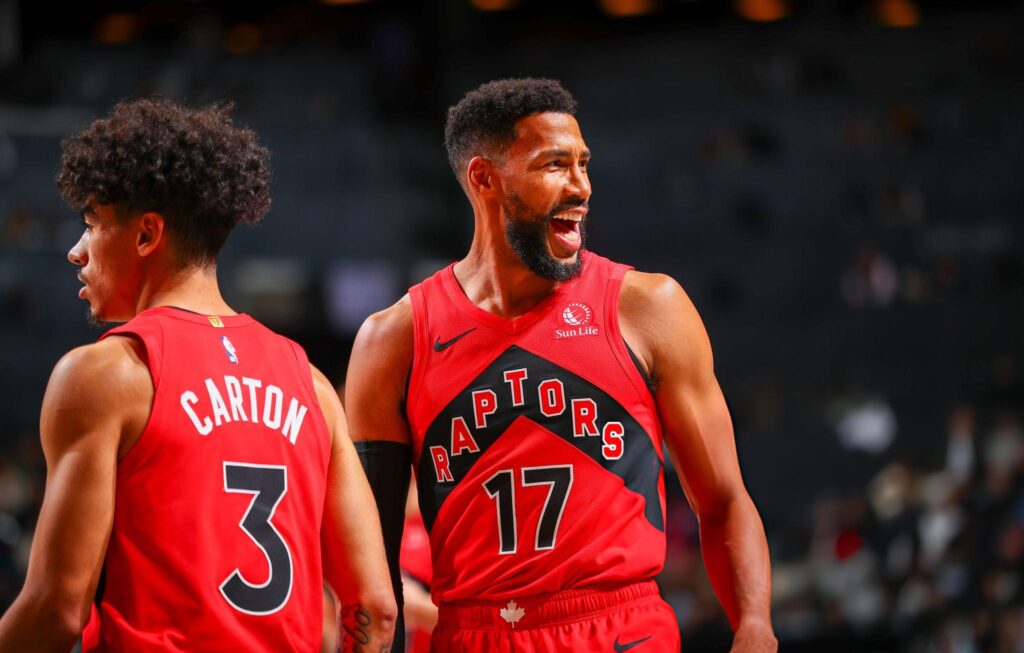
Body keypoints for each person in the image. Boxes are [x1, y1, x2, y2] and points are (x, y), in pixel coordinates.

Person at [345, 78, 776, 652]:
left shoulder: (648, 308)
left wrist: (754, 626)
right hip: (474, 633)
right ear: (484, 178)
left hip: (621, 627)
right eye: (555, 165)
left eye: (583, 164)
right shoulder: (392, 340)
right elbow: (369, 567)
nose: (581, 187)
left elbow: (723, 500)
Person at [0, 98, 396, 652]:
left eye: (91, 224)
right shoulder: (312, 384)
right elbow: (375, 609)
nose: (75, 251)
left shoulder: (106, 375)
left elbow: (55, 611)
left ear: (146, 235)